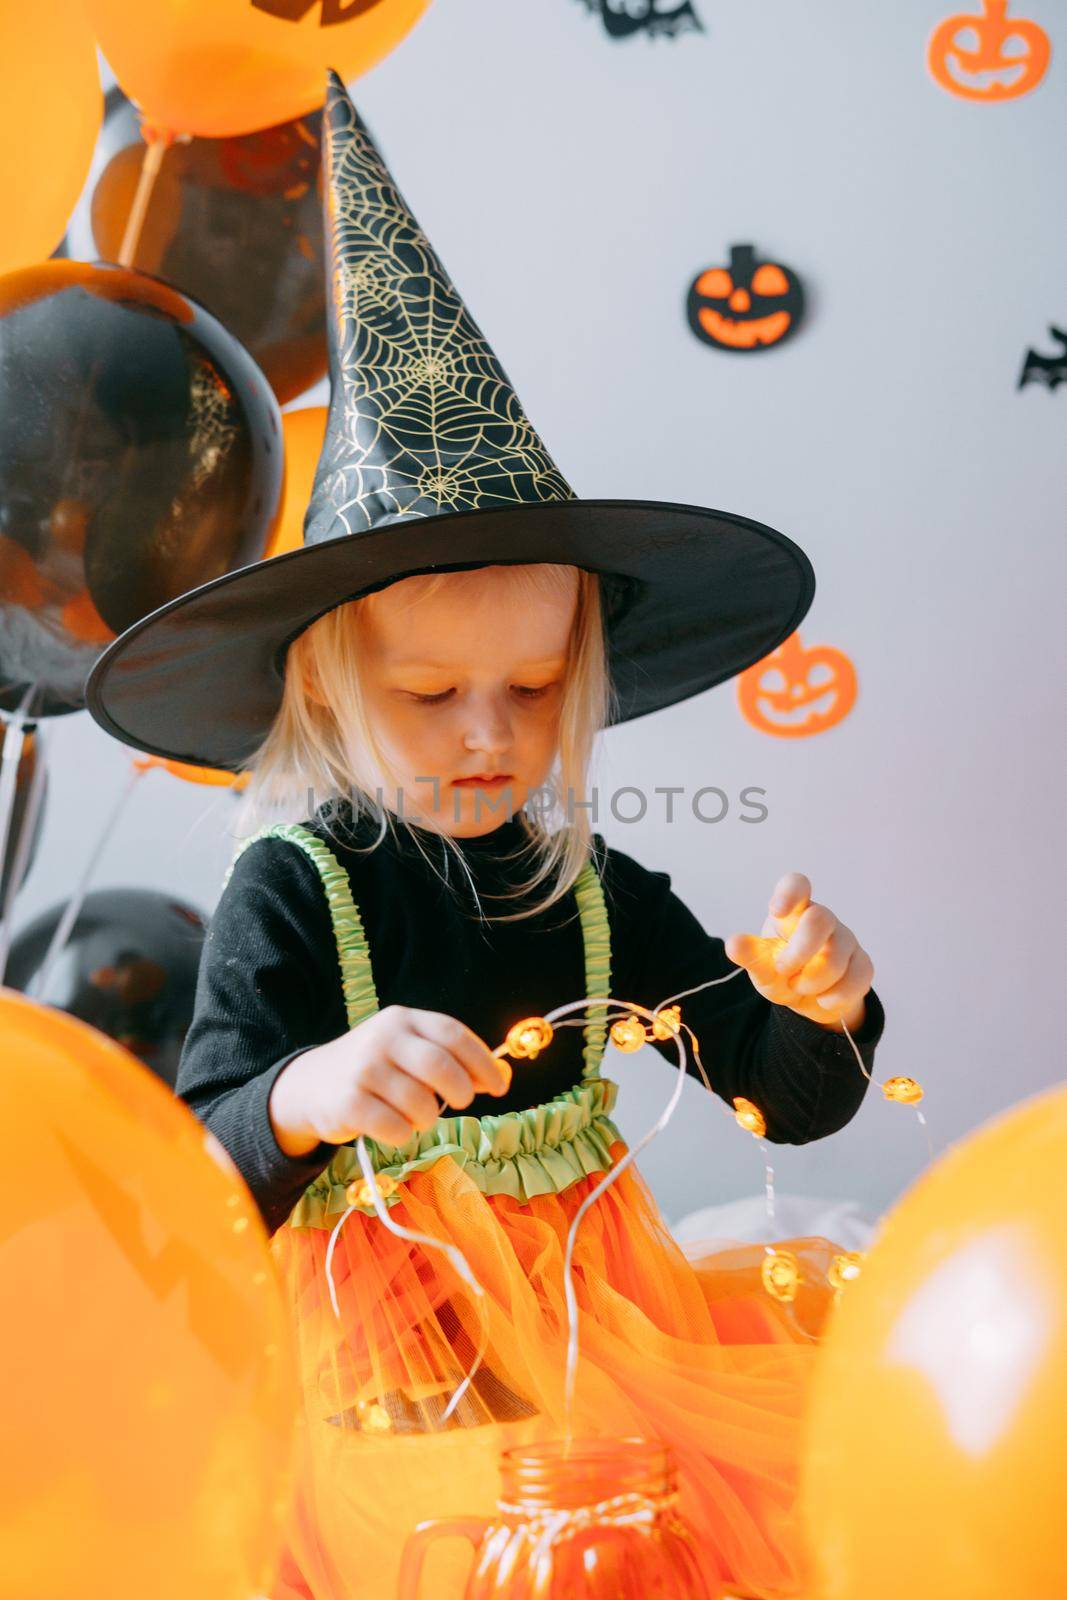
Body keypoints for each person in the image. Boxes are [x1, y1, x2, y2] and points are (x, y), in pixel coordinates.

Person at [85, 75, 885, 1600]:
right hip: (376, 1392)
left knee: (644, 1546)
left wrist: (825, 1012)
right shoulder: (294, 891)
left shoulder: (591, 890)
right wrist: (313, 1090)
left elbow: (779, 1104)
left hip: (600, 1362)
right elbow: (206, 1173)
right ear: (329, 686)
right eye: (432, 692)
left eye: (530, 691)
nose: (486, 734)